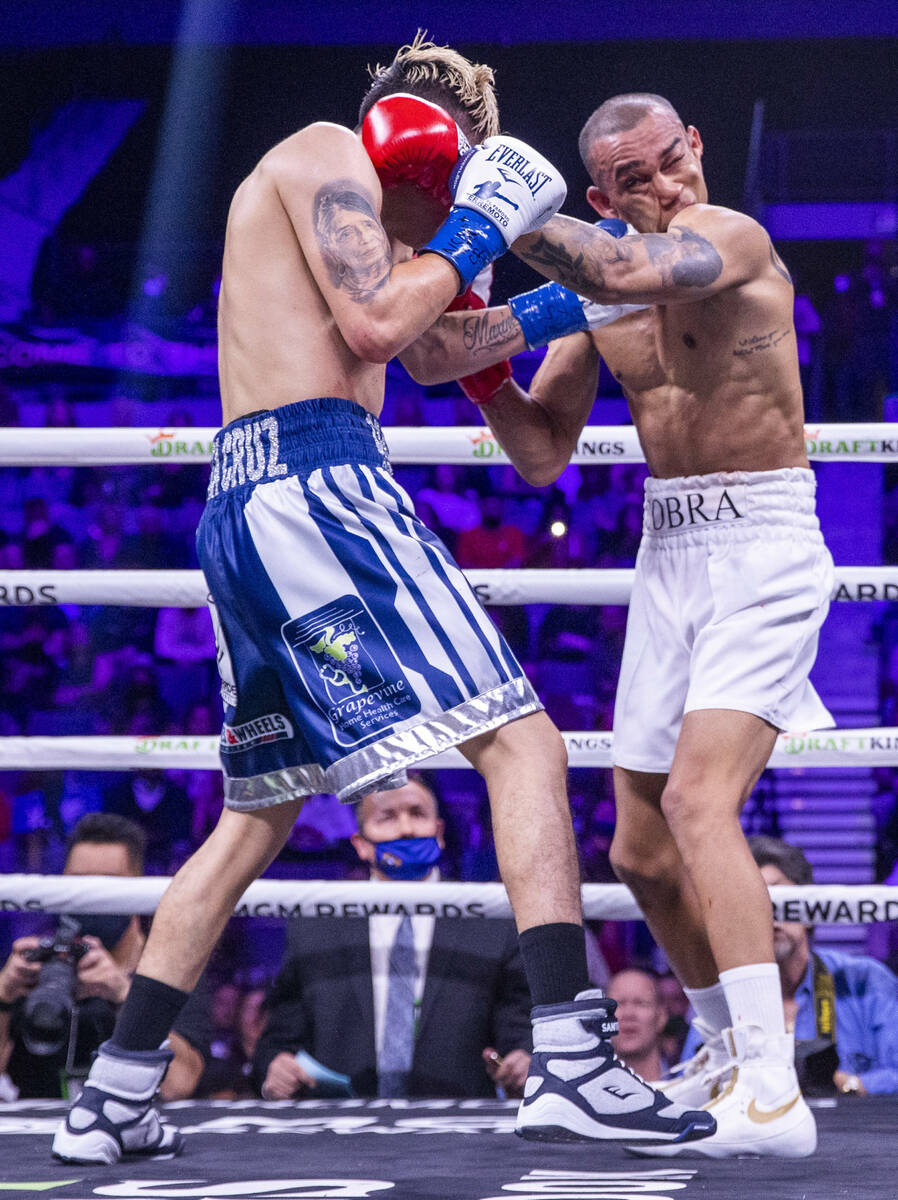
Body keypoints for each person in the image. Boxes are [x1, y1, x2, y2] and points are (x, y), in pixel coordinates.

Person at [53, 43, 712, 1163]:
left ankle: (115, 1091)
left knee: (258, 813)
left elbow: (437, 346)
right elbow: (372, 329)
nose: (445, 208)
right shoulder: (322, 156)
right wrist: (474, 226)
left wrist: (581, 298)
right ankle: (573, 1057)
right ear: (418, 137)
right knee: (525, 749)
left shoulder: (387, 228)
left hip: (254, 505)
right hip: (318, 483)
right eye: (447, 181)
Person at [456, 92, 834, 1158]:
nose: (661, 187)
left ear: (693, 147)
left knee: (698, 800)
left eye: (668, 162)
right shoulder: (594, 292)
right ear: (599, 194)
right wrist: (478, 349)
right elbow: (539, 451)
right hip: (669, 549)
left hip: (765, 536)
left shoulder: (727, 238)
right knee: (638, 847)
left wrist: (495, 201)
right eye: (632, 182)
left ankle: (774, 1089)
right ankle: (717, 1051)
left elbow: (621, 269)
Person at [254, 774, 531, 1099]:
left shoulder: (490, 920)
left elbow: (519, 1026)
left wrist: (523, 1059)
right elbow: (279, 1038)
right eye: (387, 817)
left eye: (417, 814)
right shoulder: (317, 925)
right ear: (361, 844)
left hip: (458, 1126)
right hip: (340, 1127)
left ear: (439, 833)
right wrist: (275, 1067)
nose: (406, 829)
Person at [0, 814, 209, 1101]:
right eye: (78, 883)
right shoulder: (34, 960)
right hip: (35, 1132)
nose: (91, 896)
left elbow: (181, 1084)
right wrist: (3, 997)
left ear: (137, 886)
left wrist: (125, 995)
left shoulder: (172, 967)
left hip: (133, 1132)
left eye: (107, 884)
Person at [675, 835, 898, 1098]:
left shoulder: (865, 979)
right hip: (756, 1133)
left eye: (777, 896)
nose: (768, 912)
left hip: (858, 1133)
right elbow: (689, 1083)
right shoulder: (720, 991)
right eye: (753, 899)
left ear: (806, 907)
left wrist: (846, 1084)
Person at [605, 968, 669, 1083]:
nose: (629, 1014)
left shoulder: (690, 1085)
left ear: (661, 1017)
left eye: (641, 1003)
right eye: (618, 1004)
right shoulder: (583, 1097)